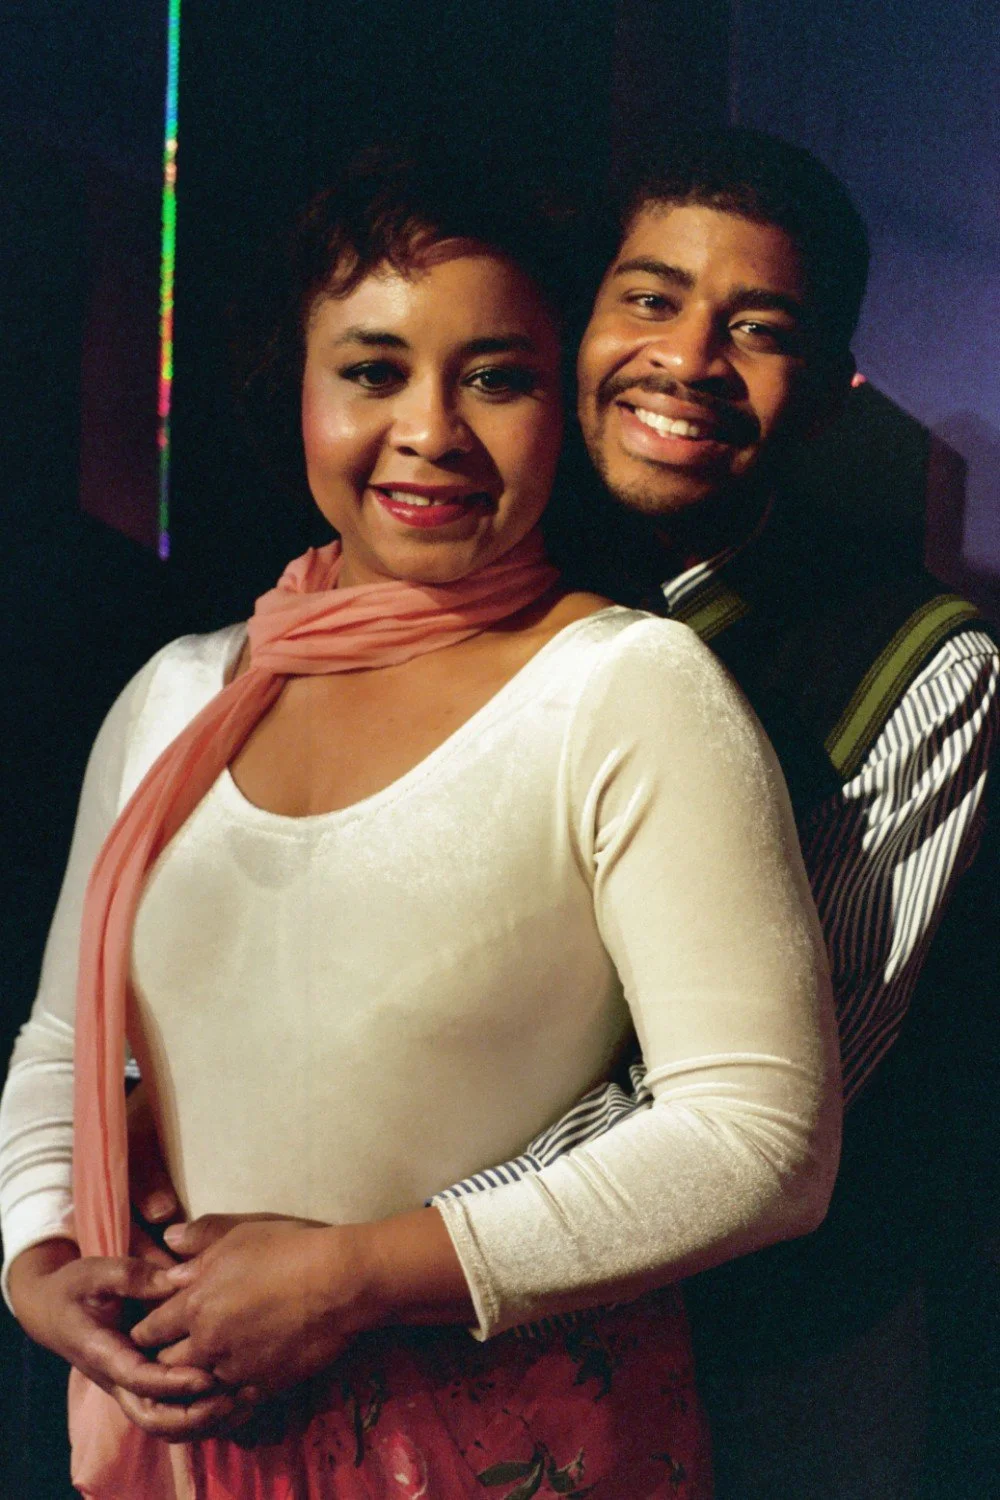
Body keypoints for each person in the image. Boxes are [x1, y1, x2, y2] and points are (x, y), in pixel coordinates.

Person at [0, 150, 840, 1498]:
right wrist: (40, 1258)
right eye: (374, 371)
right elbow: (63, 1043)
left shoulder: (629, 689)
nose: (433, 430)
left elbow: (764, 1142)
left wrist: (348, 1279)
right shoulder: (177, 694)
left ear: (558, 405)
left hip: (492, 1441)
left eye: (496, 377)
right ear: (299, 391)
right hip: (174, 1431)